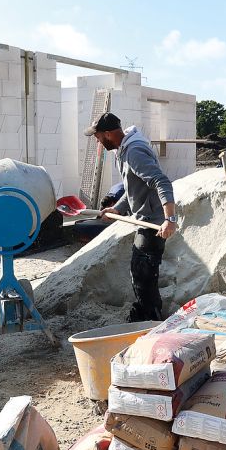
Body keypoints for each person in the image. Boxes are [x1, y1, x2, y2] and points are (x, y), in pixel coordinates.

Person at [84, 112, 178, 322]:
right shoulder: (124, 149)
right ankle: (147, 315)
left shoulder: (134, 151)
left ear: (108, 134)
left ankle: (151, 320)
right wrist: (117, 208)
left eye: (97, 136)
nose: (97, 141)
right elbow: (133, 187)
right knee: (140, 274)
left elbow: (161, 182)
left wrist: (169, 219)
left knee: (143, 275)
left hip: (153, 224)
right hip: (145, 220)